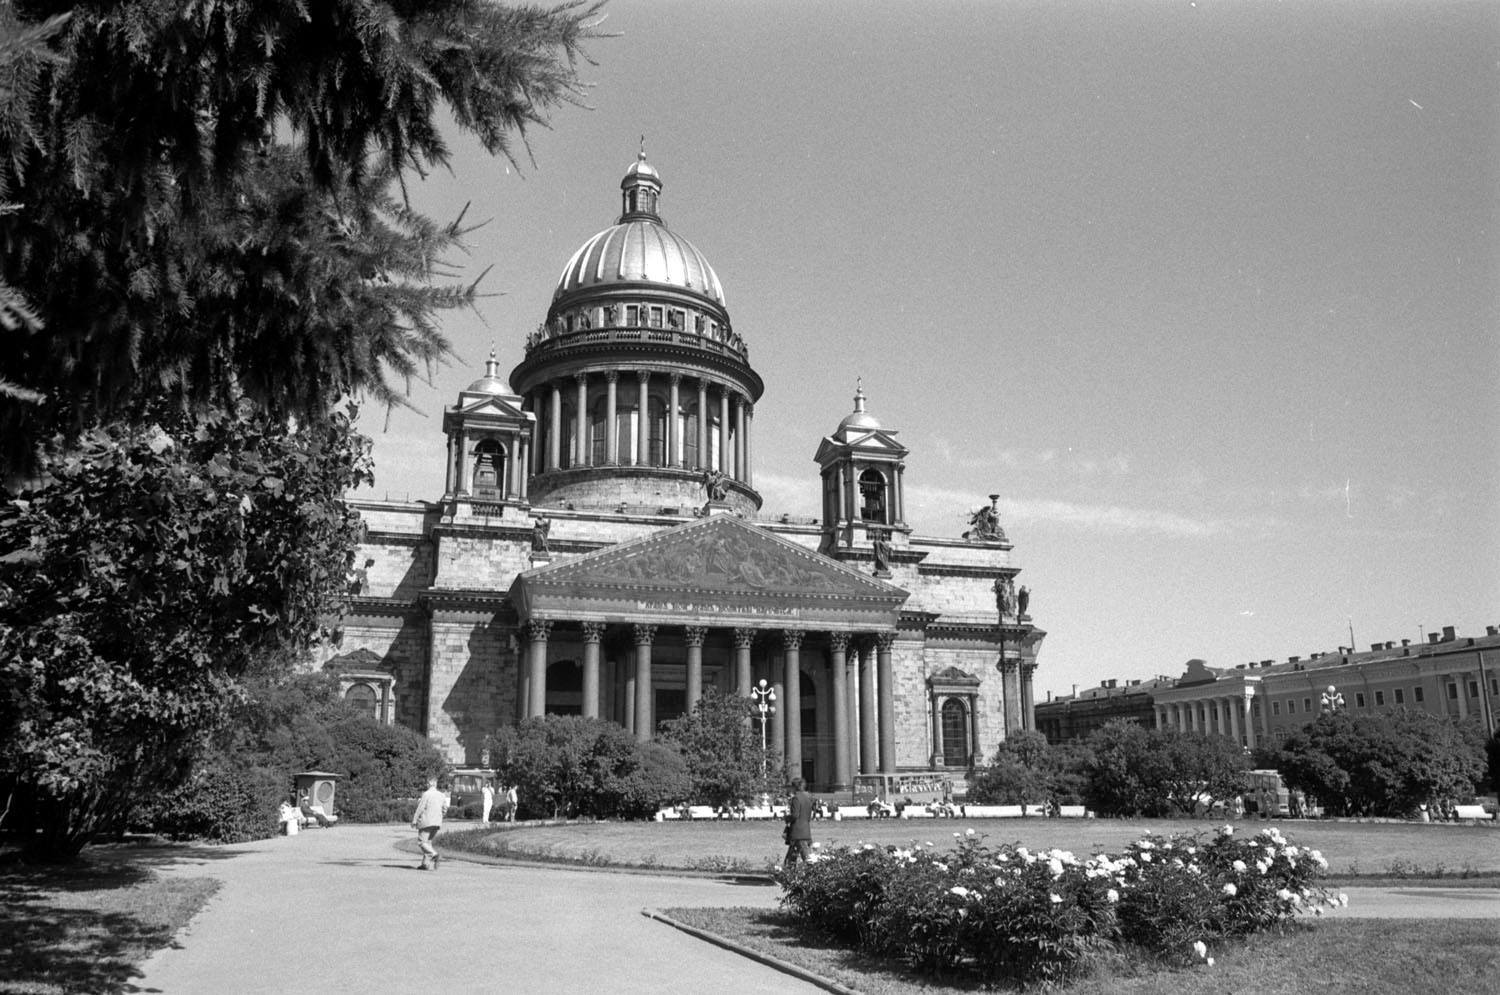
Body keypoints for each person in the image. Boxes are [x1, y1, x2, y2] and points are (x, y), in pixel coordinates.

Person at [411, 776, 447, 870]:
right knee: (428, 843)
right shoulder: (442, 795)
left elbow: (420, 808)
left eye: (427, 783)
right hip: (437, 822)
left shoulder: (426, 794)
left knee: (422, 842)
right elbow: (445, 809)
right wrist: (440, 816)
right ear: (436, 784)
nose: (426, 785)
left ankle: (434, 855)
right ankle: (425, 864)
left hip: (426, 821)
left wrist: (414, 820)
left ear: (430, 783)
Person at [784, 778, 816, 865]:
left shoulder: (796, 798)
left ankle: (788, 874)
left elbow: (795, 815)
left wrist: (787, 818)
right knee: (793, 856)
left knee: (804, 857)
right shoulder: (808, 798)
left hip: (797, 831)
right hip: (805, 829)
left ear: (795, 787)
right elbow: (809, 816)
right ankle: (788, 874)